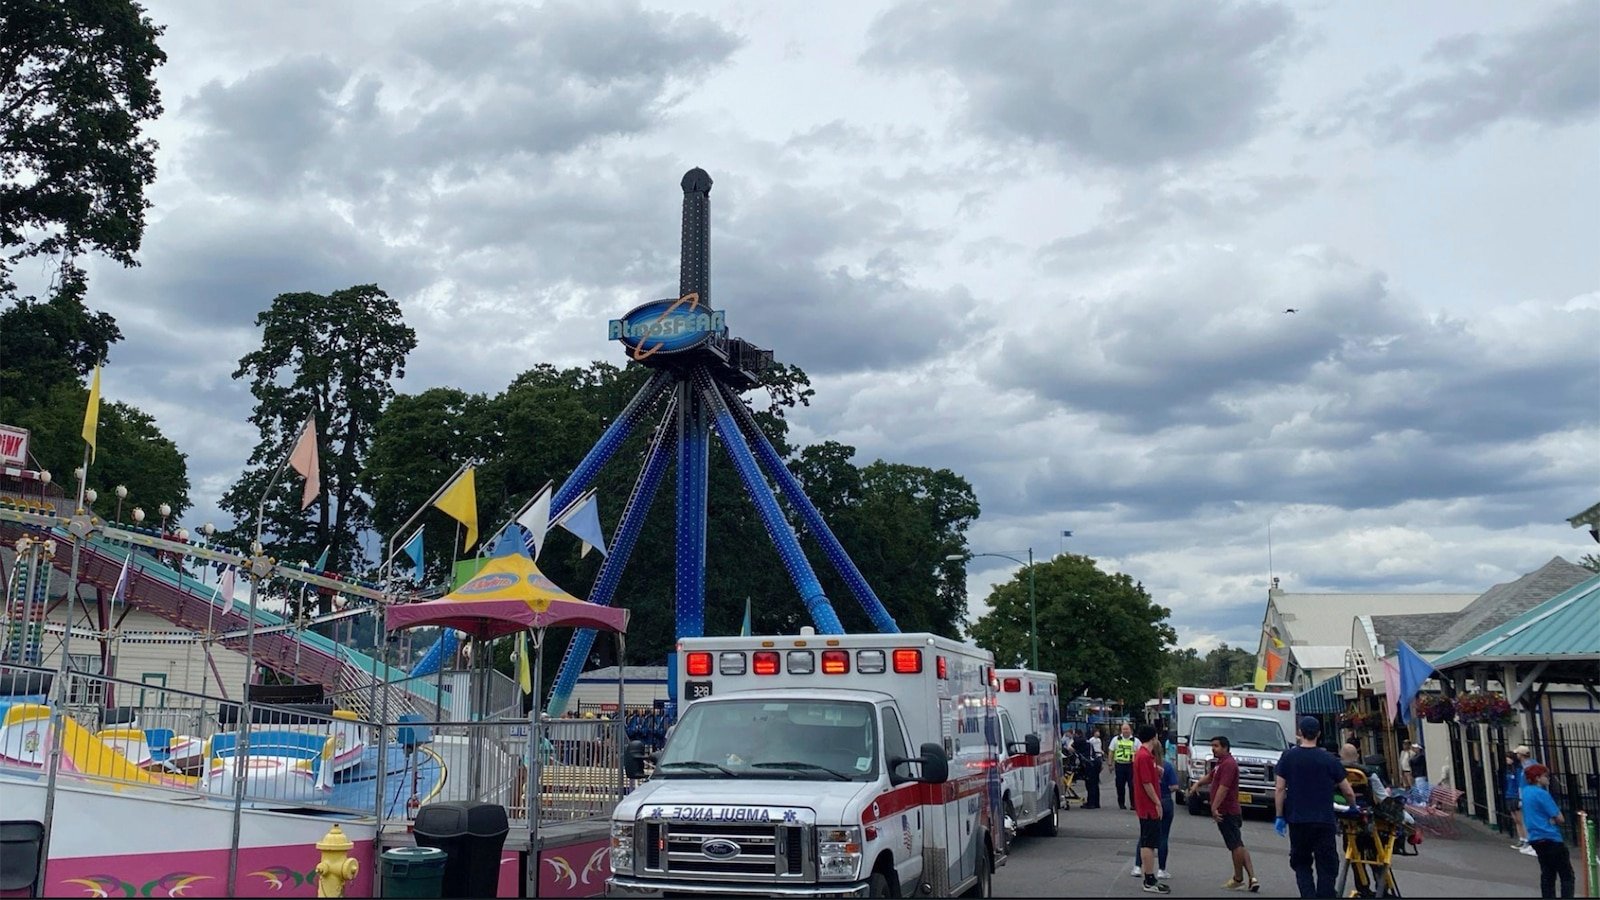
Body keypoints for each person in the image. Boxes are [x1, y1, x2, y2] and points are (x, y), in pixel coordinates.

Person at [1275, 716, 1354, 899]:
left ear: (1299, 733)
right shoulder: (1329, 759)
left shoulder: (1288, 757)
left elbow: (1279, 788)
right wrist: (1352, 807)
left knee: (1301, 863)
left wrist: (1280, 815)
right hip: (1324, 820)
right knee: (1326, 865)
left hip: (1297, 819)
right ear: (1319, 734)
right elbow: (1348, 791)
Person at [1193, 735, 1260, 892]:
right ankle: (1252, 878)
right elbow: (1211, 777)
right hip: (1228, 810)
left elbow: (1224, 788)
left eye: (1216, 746)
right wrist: (1197, 783)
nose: (1213, 748)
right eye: (1212, 745)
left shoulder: (1229, 764)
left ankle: (1239, 878)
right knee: (1238, 844)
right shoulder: (1220, 763)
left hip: (1228, 811)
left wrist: (1214, 807)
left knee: (1235, 846)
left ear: (1225, 747)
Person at [1520, 764, 1574, 898]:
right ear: (1538, 778)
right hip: (1551, 837)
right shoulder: (1542, 794)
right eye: (1545, 776)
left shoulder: (1526, 792)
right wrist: (1552, 820)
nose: (1548, 778)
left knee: (1547, 874)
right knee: (1566, 875)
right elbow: (1560, 818)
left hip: (1535, 838)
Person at [1128, 741, 1177, 881]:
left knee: (1144, 836)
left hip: (1148, 802)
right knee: (1163, 836)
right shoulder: (1167, 766)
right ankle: (1161, 869)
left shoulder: (1145, 761)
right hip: (1165, 800)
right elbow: (1174, 786)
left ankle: (1137, 866)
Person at [1132, 724, 1170, 893]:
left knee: (1148, 840)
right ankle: (1149, 879)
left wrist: (1156, 769)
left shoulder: (1142, 755)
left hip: (1143, 804)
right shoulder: (1145, 757)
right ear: (1154, 738)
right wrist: (1157, 802)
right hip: (1148, 805)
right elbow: (1147, 783)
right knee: (1149, 842)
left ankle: (1149, 876)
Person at [1515, 745, 1542, 856]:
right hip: (1527, 794)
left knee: (1533, 819)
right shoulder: (1525, 766)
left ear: (1521, 755)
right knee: (1528, 819)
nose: (1516, 756)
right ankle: (1532, 843)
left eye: (1518, 754)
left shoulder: (1529, 766)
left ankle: (1536, 844)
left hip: (1530, 794)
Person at [1110, 722, 1139, 810]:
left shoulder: (1136, 741)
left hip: (1131, 765)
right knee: (1120, 785)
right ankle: (1121, 803)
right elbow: (1111, 751)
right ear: (1121, 730)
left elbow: (1140, 753)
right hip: (1119, 765)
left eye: (1127, 729)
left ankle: (1133, 804)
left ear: (1131, 730)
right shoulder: (1116, 739)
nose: (1125, 731)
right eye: (1124, 729)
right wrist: (1110, 764)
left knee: (1132, 786)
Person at [1504, 749, 1528, 853]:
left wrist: (1520, 798)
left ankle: (1526, 839)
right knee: (1515, 819)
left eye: (1508, 758)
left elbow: (1519, 785)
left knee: (1520, 819)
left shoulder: (1518, 770)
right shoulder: (1509, 770)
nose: (1507, 760)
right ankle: (1521, 838)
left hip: (1515, 796)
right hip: (1509, 795)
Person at [1073, 729, 1101, 809]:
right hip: (1095, 762)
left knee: (1090, 784)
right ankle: (1096, 803)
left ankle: (1091, 803)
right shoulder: (1087, 741)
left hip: (1089, 764)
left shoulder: (1079, 741)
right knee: (1095, 784)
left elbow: (1070, 748)